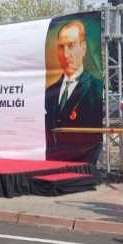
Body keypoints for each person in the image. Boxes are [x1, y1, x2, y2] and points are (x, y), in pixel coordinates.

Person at [45, 20, 104, 161]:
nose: (65, 54)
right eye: (61, 47)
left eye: (71, 46)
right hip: (54, 161)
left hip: (83, 161)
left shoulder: (96, 88)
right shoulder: (49, 92)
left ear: (83, 48)